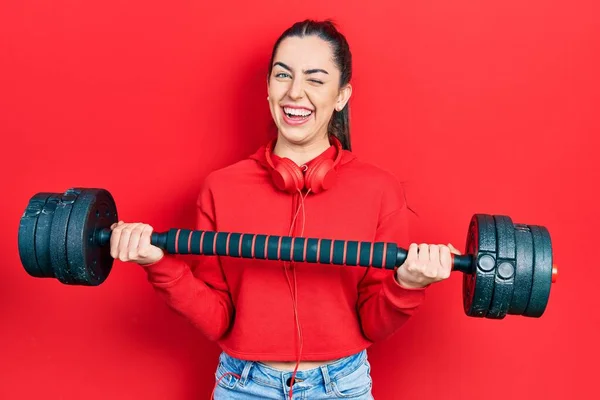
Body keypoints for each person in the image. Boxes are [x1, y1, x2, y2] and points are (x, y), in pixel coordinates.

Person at [109, 19, 460, 400]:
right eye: (283, 75)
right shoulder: (220, 188)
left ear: (341, 96)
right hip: (242, 386)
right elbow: (218, 319)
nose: (295, 93)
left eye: (315, 79)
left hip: (341, 387)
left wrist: (407, 284)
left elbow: (373, 325)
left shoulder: (379, 189)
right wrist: (156, 262)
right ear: (268, 87)